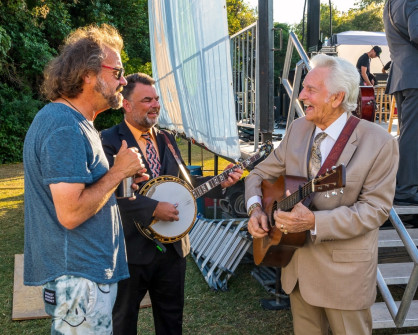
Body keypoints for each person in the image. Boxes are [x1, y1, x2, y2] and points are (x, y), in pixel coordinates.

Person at [245, 54, 398, 335]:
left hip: (345, 278)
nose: (301, 95)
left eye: (310, 90)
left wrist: (315, 222)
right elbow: (258, 174)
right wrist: (256, 209)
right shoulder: (298, 128)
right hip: (298, 270)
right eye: (303, 87)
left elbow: (375, 210)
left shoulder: (379, 142)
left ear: (337, 97)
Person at [23, 24, 148, 334]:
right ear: (88, 74)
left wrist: (121, 176)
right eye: (117, 72)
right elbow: (70, 213)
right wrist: (118, 172)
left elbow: (85, 192)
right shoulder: (65, 126)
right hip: (79, 279)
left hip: (82, 278)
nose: (124, 81)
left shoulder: (75, 123)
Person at [100, 73, 243, 335]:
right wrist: (152, 209)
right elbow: (106, 193)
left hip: (172, 249)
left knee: (171, 319)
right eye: (147, 100)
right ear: (126, 104)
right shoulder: (108, 141)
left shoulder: (166, 137)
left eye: (156, 99)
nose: (155, 105)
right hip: (130, 250)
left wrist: (219, 180)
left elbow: (182, 184)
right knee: (122, 320)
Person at [384, 0, 418, 205]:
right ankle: (405, 189)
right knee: (411, 135)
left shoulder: (391, 3)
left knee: (408, 133)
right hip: (414, 76)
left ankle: (405, 185)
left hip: (402, 76)